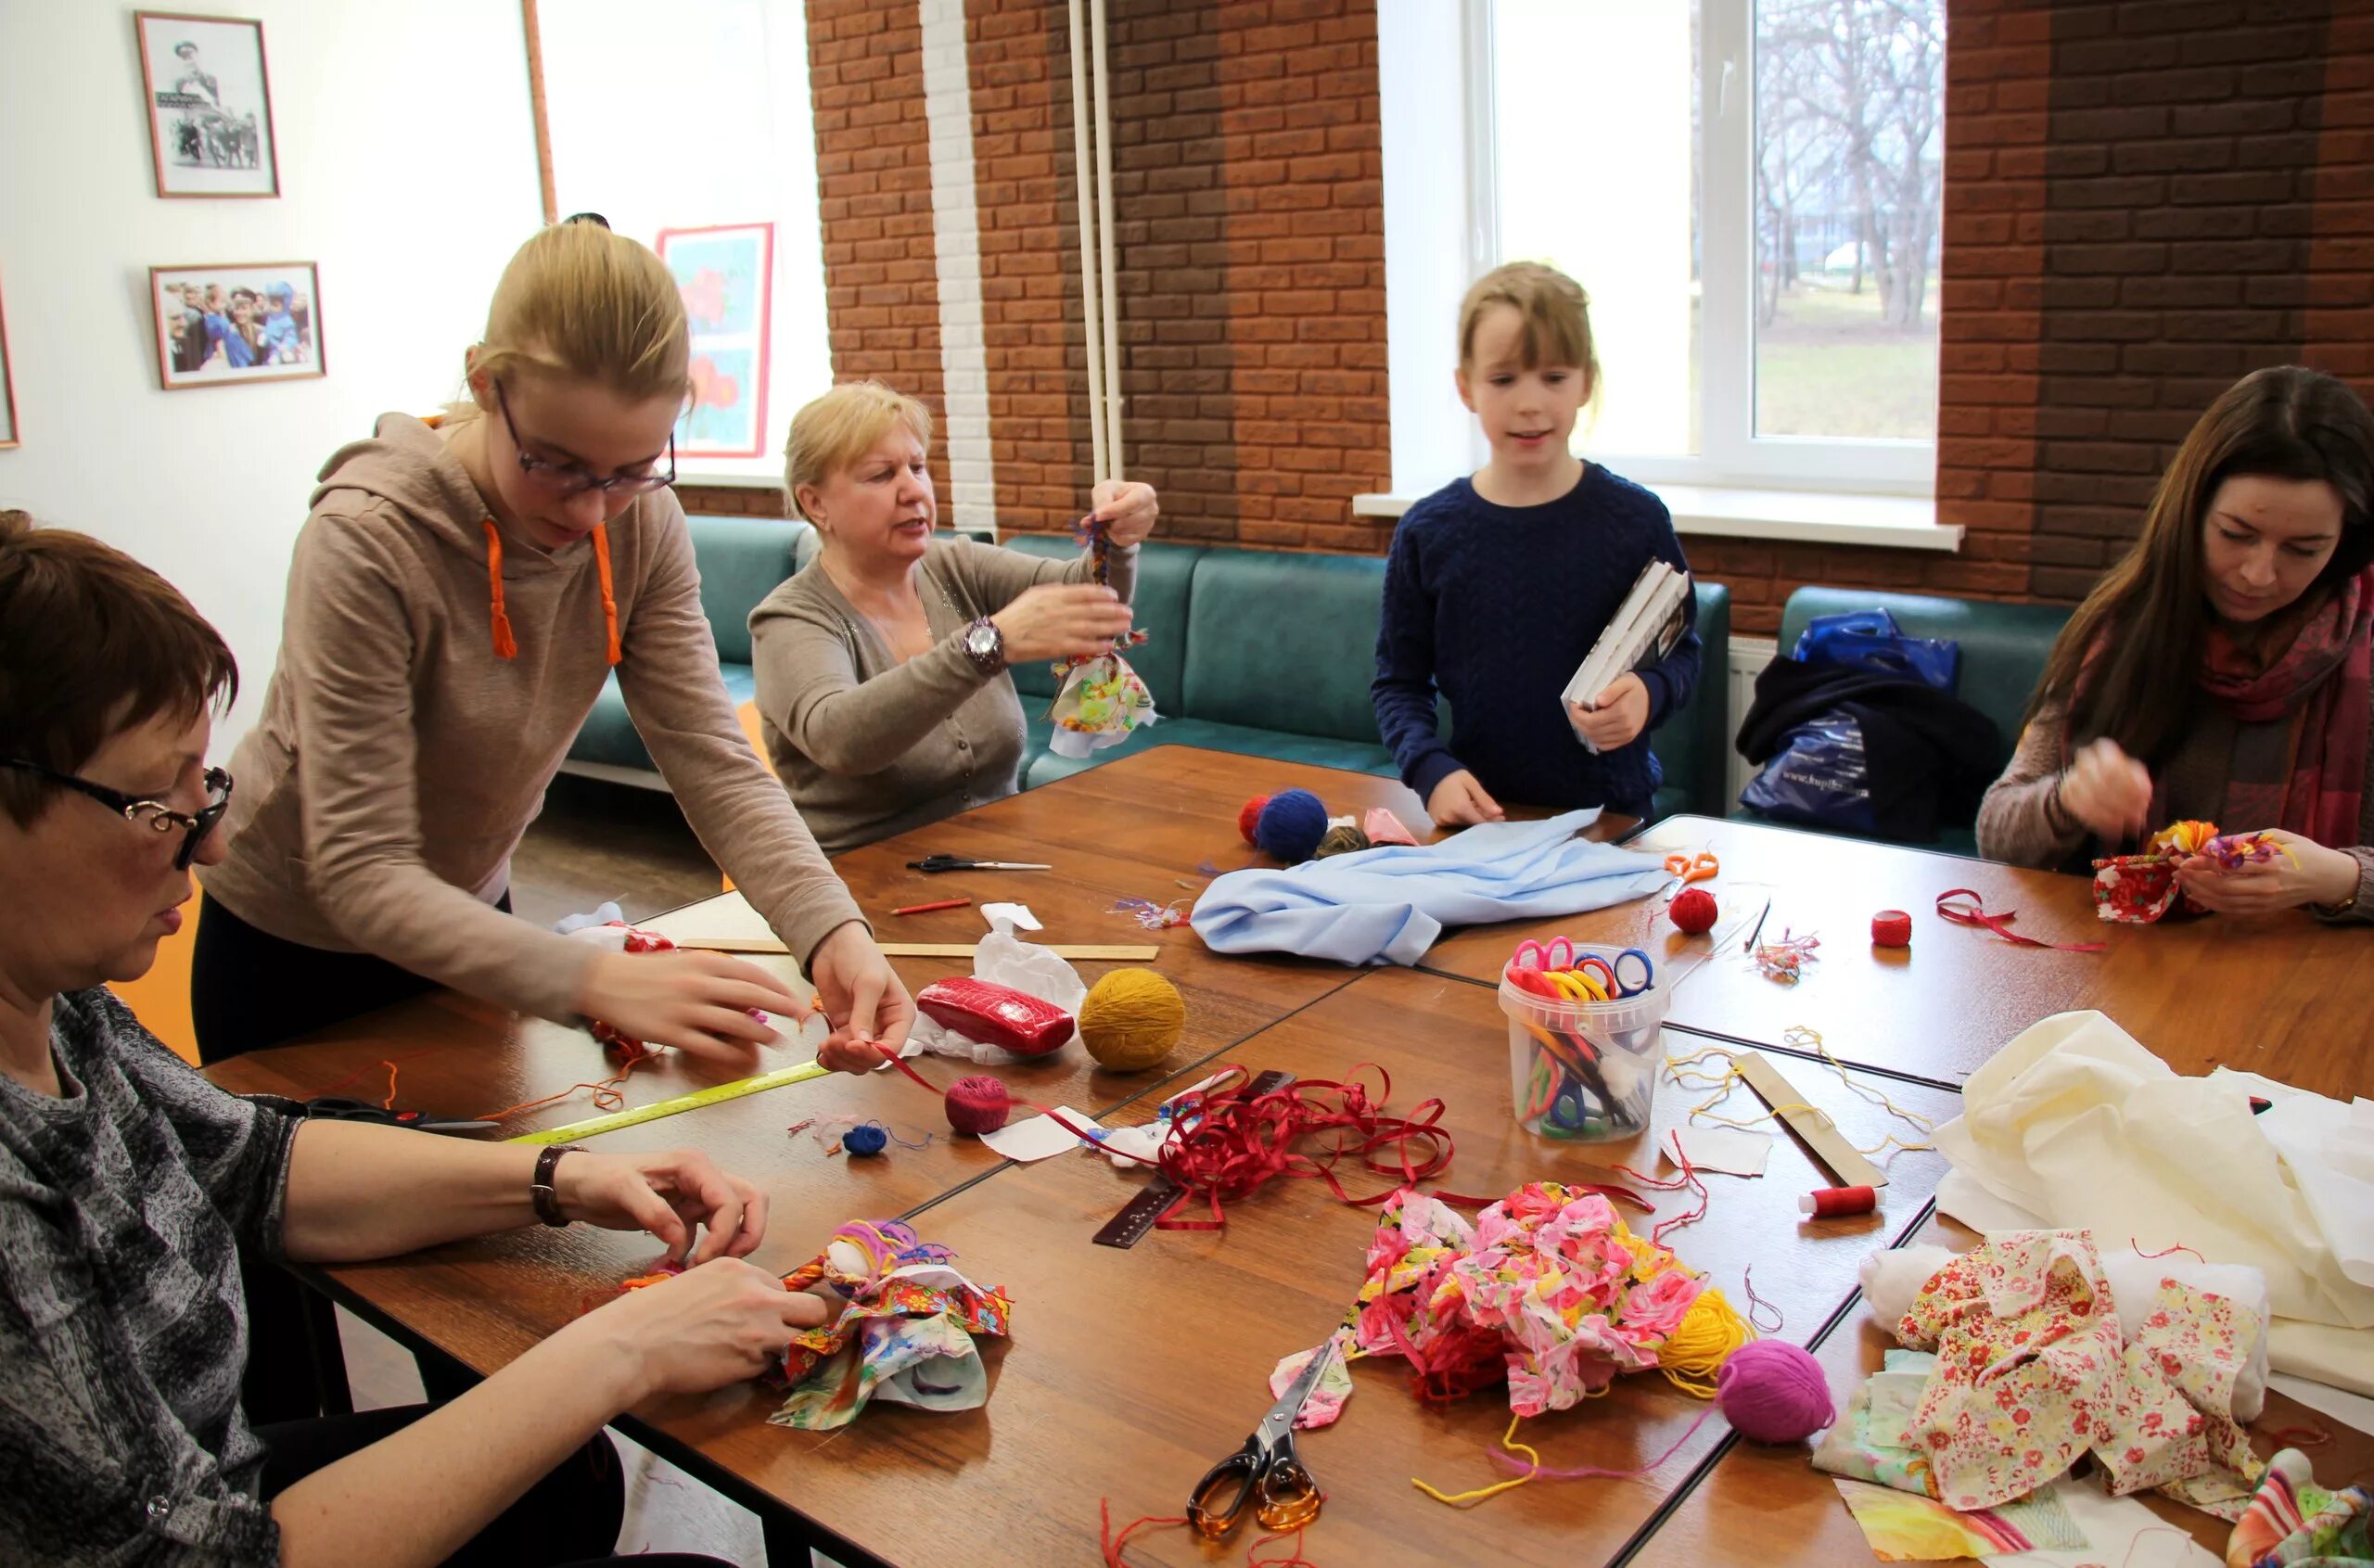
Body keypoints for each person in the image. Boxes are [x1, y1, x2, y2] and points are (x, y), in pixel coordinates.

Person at [0, 509, 826, 1567]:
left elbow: (258, 1162)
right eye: (151, 800)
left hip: (208, 1488)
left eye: (201, 782)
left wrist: (560, 1177)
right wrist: (615, 1351)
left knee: (560, 1473)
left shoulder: (63, 1009)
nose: (207, 834)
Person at [191, 219, 913, 1065]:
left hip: (469, 917)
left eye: (632, 468)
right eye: (559, 464)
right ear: (486, 383)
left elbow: (711, 756)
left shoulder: (641, 521)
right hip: (292, 950)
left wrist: (832, 929)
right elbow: (361, 868)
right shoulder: (368, 540)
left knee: (497, 1173)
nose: (589, 510)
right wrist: (591, 978)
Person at [1977, 365, 2374, 920]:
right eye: (2236, 534)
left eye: (2304, 549)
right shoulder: (2122, 629)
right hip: (2132, 976)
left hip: (2318, 985)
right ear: (2190, 512)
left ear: (2347, 542)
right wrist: (2071, 796)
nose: (2259, 574)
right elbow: (1996, 835)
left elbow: (2343, 879)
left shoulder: (2363, 652)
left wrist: (2338, 876)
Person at [747, 380, 1155, 854]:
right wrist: (987, 644)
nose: (913, 491)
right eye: (881, 475)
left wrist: (1118, 536)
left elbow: (1091, 601)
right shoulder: (791, 619)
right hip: (863, 895)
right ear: (815, 503)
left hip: (1002, 871)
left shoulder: (954, 566)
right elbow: (841, 739)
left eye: (917, 468)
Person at [1371, 261, 1703, 826]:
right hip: (1483, 821)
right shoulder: (1427, 532)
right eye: (1503, 380)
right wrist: (1430, 770)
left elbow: (1683, 651)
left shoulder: (1636, 518)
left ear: (1586, 382)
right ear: (1466, 387)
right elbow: (1399, 683)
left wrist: (1648, 693)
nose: (1529, 403)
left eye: (1553, 377)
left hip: (1613, 820)